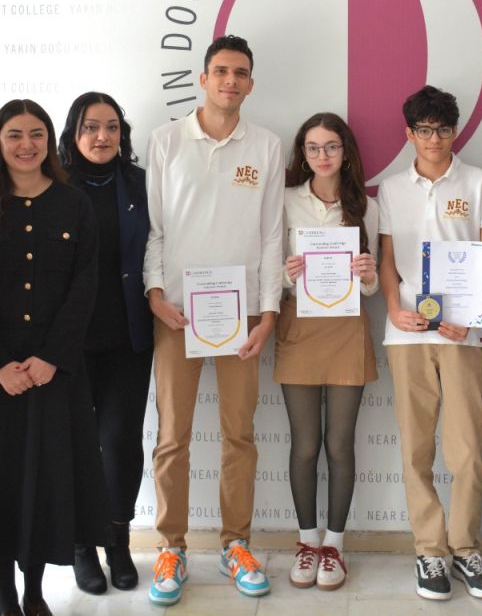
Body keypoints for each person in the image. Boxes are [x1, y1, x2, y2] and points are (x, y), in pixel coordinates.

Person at [0, 99, 106, 616]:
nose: (26, 144)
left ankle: (34, 591)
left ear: (49, 141)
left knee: (44, 482)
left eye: (37, 134)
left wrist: (52, 357)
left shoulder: (75, 204)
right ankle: (5, 595)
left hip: (53, 373)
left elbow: (85, 286)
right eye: (15, 134)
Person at [142, 35, 285, 606]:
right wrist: (154, 293)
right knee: (172, 436)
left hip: (241, 313)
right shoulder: (166, 140)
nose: (231, 80)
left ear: (251, 83)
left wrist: (268, 313)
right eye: (221, 71)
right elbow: (156, 229)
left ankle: (235, 544)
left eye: (240, 72)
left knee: (239, 434)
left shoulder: (267, 146)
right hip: (176, 312)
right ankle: (171, 547)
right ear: (203, 79)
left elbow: (271, 235)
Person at [377, 85, 482, 601]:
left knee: (468, 448)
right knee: (415, 447)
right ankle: (429, 551)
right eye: (424, 130)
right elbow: (387, 258)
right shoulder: (390, 189)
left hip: (463, 332)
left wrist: (470, 314)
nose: (434, 139)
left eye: (443, 129)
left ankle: (465, 547)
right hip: (406, 331)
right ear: (409, 133)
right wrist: (392, 307)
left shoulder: (479, 182)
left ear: (456, 131)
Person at [278, 112, 379, 593]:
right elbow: (269, 269)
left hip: (347, 328)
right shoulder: (283, 202)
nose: (323, 155)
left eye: (331, 146)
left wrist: (368, 275)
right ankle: (306, 542)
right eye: (313, 147)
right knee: (304, 445)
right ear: (302, 153)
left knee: (340, 445)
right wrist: (286, 275)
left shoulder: (367, 206)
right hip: (298, 326)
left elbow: (374, 287)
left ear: (346, 152)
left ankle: (334, 545)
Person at [57, 92, 151, 594]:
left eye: (112, 126)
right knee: (74, 445)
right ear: (73, 133)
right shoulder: (51, 184)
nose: (102, 136)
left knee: (119, 442)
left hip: (128, 336)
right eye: (91, 127)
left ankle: (117, 540)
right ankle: (80, 545)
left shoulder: (139, 183)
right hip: (67, 343)